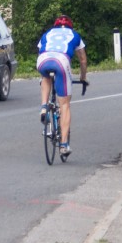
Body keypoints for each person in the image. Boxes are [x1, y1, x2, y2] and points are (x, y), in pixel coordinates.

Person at [37, 15, 88, 157]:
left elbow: (41, 50)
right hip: (61, 61)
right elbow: (83, 61)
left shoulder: (47, 34)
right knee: (64, 104)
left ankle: (43, 107)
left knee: (45, 76)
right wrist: (83, 77)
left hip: (43, 60)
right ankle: (64, 145)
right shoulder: (75, 35)